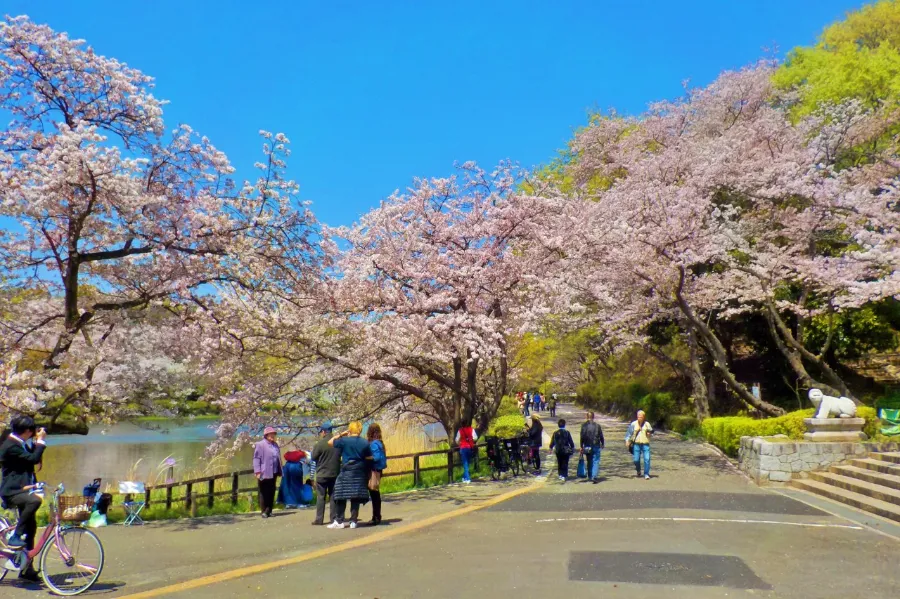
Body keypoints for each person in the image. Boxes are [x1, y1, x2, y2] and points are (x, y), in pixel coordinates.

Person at [0, 416, 46, 582]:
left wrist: (37, 445)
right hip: (12, 491)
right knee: (34, 501)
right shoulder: (10, 446)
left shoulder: (19, 443)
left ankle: (27, 568)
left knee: (31, 528)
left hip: (22, 489)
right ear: (27, 431)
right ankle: (15, 536)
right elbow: (32, 459)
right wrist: (41, 442)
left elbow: (30, 458)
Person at [328, 421, 372, 529]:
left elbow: (330, 442)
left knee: (340, 494)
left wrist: (341, 434)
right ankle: (353, 521)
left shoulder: (344, 441)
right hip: (359, 471)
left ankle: (339, 520)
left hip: (346, 470)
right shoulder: (365, 442)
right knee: (355, 496)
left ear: (350, 429)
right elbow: (370, 457)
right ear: (360, 430)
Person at [311, 422, 340, 526]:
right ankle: (333, 518)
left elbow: (313, 457)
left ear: (323, 432)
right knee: (333, 496)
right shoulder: (338, 443)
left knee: (321, 496)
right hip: (334, 473)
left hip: (322, 474)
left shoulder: (319, 444)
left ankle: (319, 519)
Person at [252, 426, 282, 518]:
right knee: (263, 492)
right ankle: (264, 511)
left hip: (274, 471)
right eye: (270, 434)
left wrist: (280, 469)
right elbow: (256, 458)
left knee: (272, 491)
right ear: (266, 435)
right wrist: (257, 471)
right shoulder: (260, 445)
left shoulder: (275, 445)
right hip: (264, 472)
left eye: (273, 434)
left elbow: (278, 457)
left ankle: (270, 510)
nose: (272, 436)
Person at [366, 423, 387, 525]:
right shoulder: (380, 442)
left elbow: (376, 457)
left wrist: (366, 458)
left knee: (374, 493)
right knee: (376, 493)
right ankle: (377, 516)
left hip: (374, 470)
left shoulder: (374, 444)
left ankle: (376, 517)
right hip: (379, 470)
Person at [627, 410, 653, 479]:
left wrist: (649, 434)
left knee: (647, 459)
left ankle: (646, 474)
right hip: (636, 444)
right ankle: (638, 470)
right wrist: (627, 441)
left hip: (645, 444)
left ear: (644, 417)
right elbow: (629, 433)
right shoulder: (633, 424)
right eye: (638, 416)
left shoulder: (647, 424)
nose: (639, 418)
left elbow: (651, 432)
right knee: (636, 460)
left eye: (641, 417)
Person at [579, 412, 605, 484]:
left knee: (589, 460)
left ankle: (590, 475)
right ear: (593, 417)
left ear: (587, 417)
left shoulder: (584, 426)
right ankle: (594, 476)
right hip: (596, 445)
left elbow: (582, 436)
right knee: (596, 460)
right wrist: (602, 443)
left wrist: (581, 446)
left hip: (587, 445)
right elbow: (601, 436)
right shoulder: (597, 426)